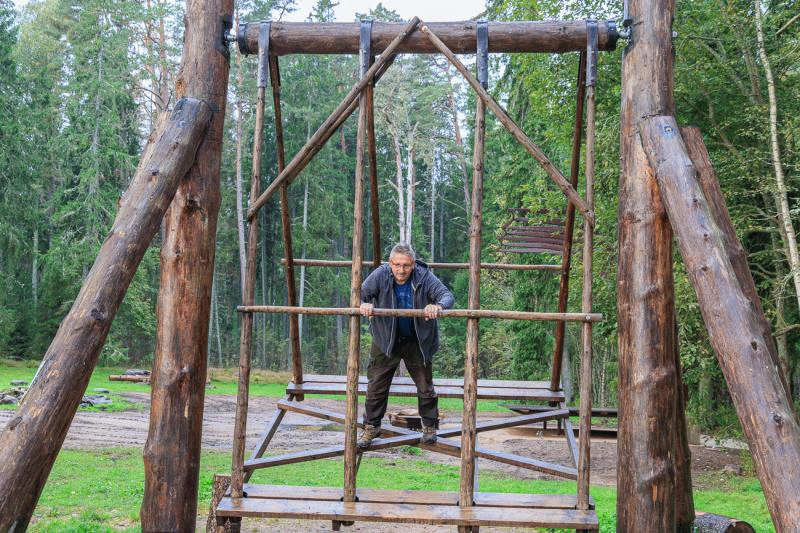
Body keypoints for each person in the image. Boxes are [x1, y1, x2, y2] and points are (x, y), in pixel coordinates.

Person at [358, 242, 454, 448]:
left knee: (425, 386)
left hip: (417, 340)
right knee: (375, 386)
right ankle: (371, 427)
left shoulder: (424, 276)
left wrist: (437, 306)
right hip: (385, 339)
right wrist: (364, 303)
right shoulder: (381, 274)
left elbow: (446, 295)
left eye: (406, 265)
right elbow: (360, 292)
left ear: (413, 264)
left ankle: (429, 427)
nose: (401, 270)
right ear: (390, 263)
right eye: (397, 265)